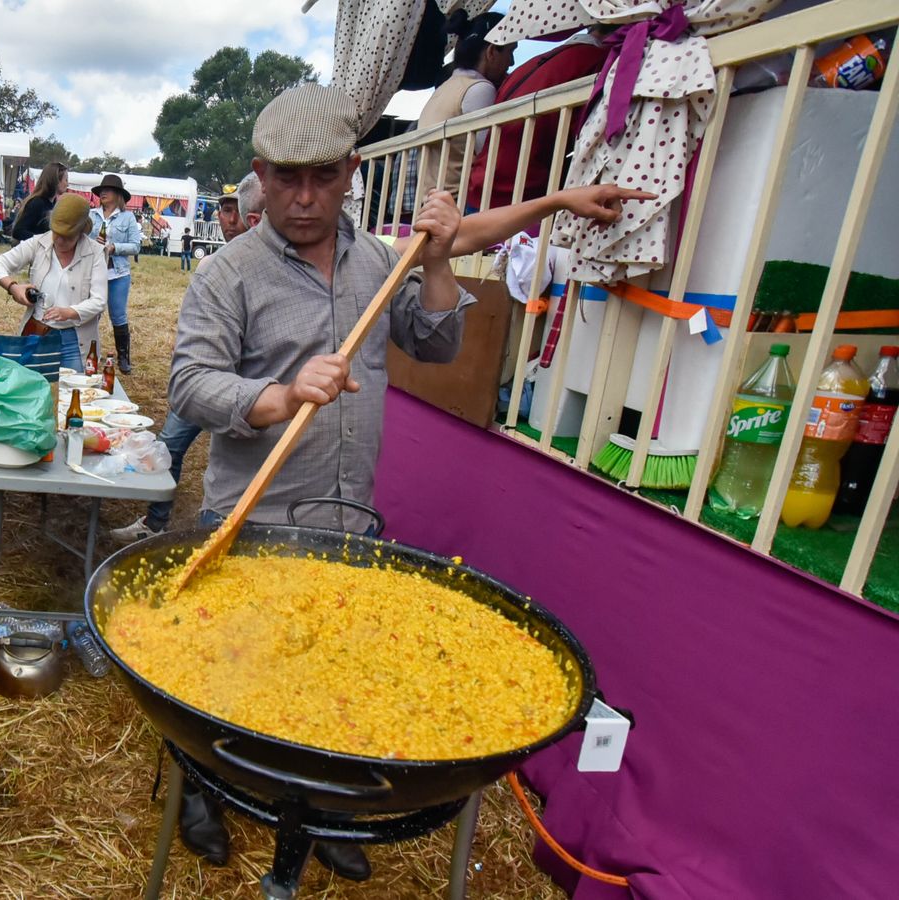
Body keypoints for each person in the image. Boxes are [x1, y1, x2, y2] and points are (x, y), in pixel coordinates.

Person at [165, 82, 649, 878]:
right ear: (261, 174)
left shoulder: (375, 263)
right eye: (288, 178)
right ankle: (202, 785)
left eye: (324, 176)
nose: (307, 197)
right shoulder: (229, 274)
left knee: (323, 665)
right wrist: (279, 396)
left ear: (352, 170)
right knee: (228, 664)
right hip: (255, 518)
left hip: (346, 516)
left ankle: (315, 806)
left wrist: (438, 263)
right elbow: (189, 384)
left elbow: (433, 346)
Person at [112, 171, 264, 544]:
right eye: (223, 211)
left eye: (233, 212)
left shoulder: (271, 264)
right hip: (209, 381)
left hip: (254, 389)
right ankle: (156, 522)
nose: (226, 220)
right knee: (169, 445)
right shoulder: (215, 265)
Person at [467, 25, 615, 211]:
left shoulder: (531, 64)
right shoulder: (600, 60)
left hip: (481, 185)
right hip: (518, 191)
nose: (511, 62)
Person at [0, 193, 107, 371]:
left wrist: (69, 312)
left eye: (68, 236)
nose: (59, 240)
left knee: (74, 391)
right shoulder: (37, 243)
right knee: (30, 388)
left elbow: (99, 300)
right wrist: (13, 287)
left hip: (75, 340)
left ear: (81, 231)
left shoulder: (95, 252)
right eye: (56, 233)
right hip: (37, 333)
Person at [416, 10, 512, 195]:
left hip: (431, 200)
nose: (512, 62)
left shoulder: (445, 88)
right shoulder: (479, 89)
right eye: (510, 51)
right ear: (491, 52)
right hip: (458, 202)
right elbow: (490, 155)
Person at [87, 174, 141, 373]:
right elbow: (82, 239)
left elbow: (136, 246)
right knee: (92, 314)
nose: (103, 192)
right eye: (101, 190)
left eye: (108, 189)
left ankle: (124, 358)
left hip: (118, 273)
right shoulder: (91, 215)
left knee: (118, 315)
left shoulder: (127, 217)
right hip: (94, 271)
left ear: (117, 194)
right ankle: (89, 353)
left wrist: (114, 247)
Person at [11, 162, 67, 242]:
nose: (67, 184)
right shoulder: (37, 203)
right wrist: (44, 240)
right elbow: (18, 231)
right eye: (66, 180)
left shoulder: (53, 203)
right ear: (56, 181)